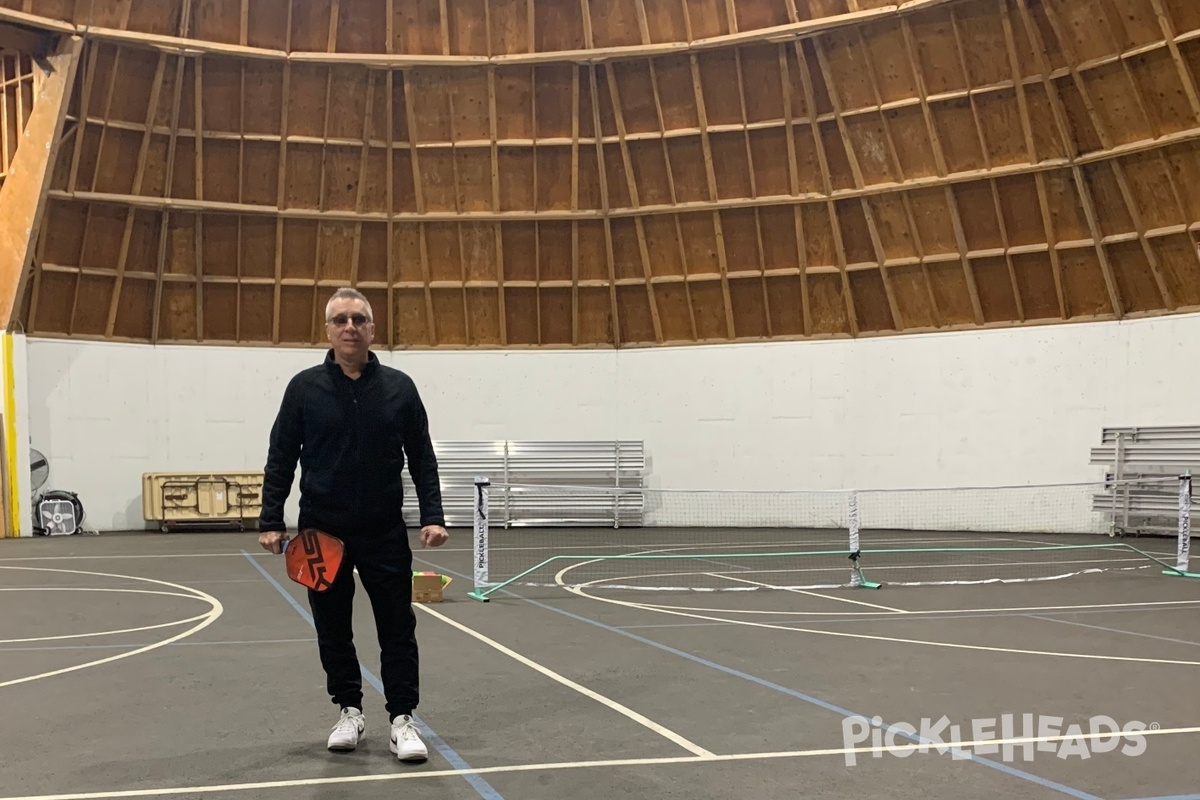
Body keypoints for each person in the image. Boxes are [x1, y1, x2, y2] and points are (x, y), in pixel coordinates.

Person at [257, 287, 449, 763]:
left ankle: (403, 719)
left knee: (397, 626)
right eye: (340, 319)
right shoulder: (304, 389)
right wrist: (270, 518)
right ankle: (349, 710)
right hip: (321, 532)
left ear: (372, 329)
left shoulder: (400, 388)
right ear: (328, 330)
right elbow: (281, 455)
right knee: (332, 627)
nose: (350, 327)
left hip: (384, 529)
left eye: (358, 319)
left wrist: (433, 515)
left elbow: (422, 457)